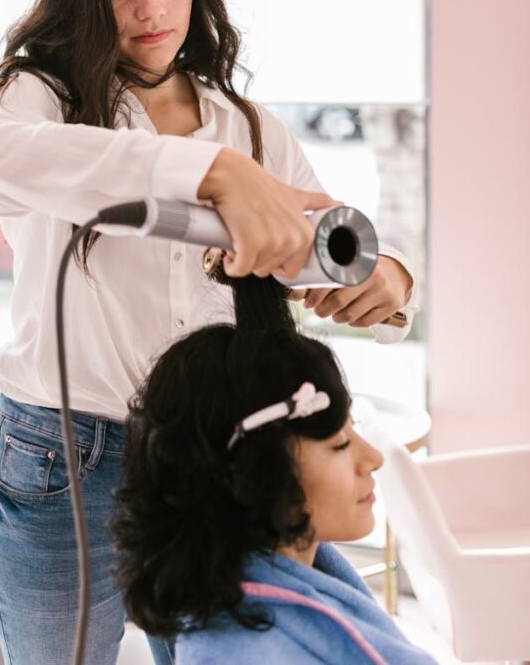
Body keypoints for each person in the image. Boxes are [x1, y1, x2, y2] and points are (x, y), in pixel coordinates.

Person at [0, 0, 418, 665]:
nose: (151, 9)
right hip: (62, 459)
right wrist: (206, 174)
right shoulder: (40, 101)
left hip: (208, 454)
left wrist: (389, 277)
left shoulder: (246, 129)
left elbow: (323, 239)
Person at [114, 279, 436, 664]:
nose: (374, 458)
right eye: (339, 443)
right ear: (255, 472)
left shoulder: (305, 575)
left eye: (354, 429)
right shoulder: (243, 656)